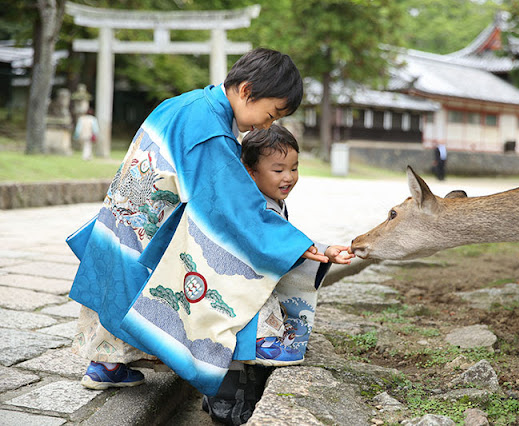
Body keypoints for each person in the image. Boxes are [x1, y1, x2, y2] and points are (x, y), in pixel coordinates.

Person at [66, 48, 330, 395]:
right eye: (272, 113)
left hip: (122, 213)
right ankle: (261, 339)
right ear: (247, 90)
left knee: (119, 277)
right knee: (212, 260)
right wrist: (296, 244)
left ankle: (106, 364)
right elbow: (231, 204)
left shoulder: (185, 103)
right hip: (153, 225)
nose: (268, 124)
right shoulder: (211, 131)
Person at [202, 124, 354, 425]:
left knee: (236, 358)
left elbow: (290, 241)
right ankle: (230, 408)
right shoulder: (249, 206)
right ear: (250, 172)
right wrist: (308, 250)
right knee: (237, 362)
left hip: (244, 300)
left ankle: (224, 401)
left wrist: (326, 251)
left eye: (294, 168)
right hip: (238, 297)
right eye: (278, 169)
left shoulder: (270, 202)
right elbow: (271, 243)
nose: (289, 177)